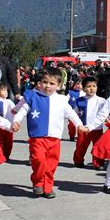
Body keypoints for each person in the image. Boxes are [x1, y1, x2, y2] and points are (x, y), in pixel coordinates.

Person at [13, 68, 82, 199]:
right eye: (45, 82)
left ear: (58, 85)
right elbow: (22, 111)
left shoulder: (61, 100)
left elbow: (72, 113)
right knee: (38, 160)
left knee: (51, 164)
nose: (47, 86)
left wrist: (79, 125)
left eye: (52, 83)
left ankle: (48, 187)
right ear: (40, 83)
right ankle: (38, 182)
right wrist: (16, 121)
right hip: (37, 137)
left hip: (54, 139)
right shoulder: (33, 97)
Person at [72, 77, 106, 170]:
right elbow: (74, 114)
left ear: (97, 88)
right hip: (83, 129)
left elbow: (105, 113)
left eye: (94, 86)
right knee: (80, 146)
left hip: (97, 129)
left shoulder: (102, 101)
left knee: (98, 147)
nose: (91, 88)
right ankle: (78, 160)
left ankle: (98, 163)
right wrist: (77, 125)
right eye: (88, 86)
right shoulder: (79, 100)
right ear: (83, 89)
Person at [0, 82, 16, 160]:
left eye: (6, 90)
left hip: (8, 125)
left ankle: (6, 155)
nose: (6, 92)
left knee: (8, 142)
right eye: (3, 90)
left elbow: (15, 109)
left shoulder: (9, 101)